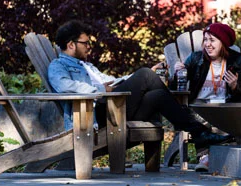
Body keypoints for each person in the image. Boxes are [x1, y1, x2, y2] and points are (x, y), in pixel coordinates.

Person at [47, 20, 230, 146]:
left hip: (114, 107)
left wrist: (128, 79)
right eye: (85, 43)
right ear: (71, 45)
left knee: (156, 92)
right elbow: (64, 86)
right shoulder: (58, 66)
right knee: (145, 74)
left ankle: (198, 133)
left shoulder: (87, 66)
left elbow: (111, 81)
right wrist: (102, 89)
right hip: (94, 114)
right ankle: (198, 128)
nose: (89, 47)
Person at [171, 22, 241, 171]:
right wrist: (176, 73)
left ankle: (227, 154)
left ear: (223, 42)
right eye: (205, 40)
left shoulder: (237, 60)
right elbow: (175, 88)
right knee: (196, 118)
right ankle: (204, 157)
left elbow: (240, 92)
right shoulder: (196, 58)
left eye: (212, 40)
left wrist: (234, 86)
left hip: (224, 106)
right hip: (198, 106)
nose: (207, 44)